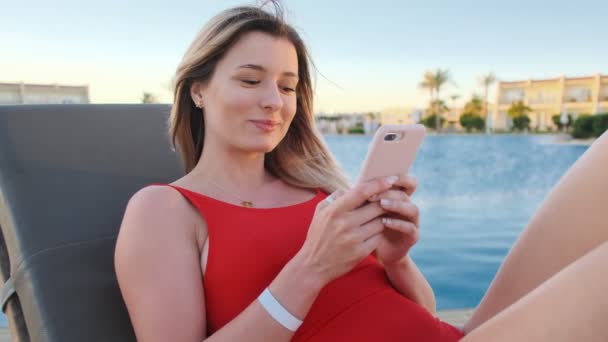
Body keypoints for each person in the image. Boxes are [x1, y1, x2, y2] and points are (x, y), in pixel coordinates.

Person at [114, 3, 608, 341]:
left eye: (287, 87)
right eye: (250, 79)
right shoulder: (164, 209)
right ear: (197, 90)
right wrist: (311, 269)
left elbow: (424, 314)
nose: (273, 101)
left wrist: (396, 260)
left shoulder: (318, 191)